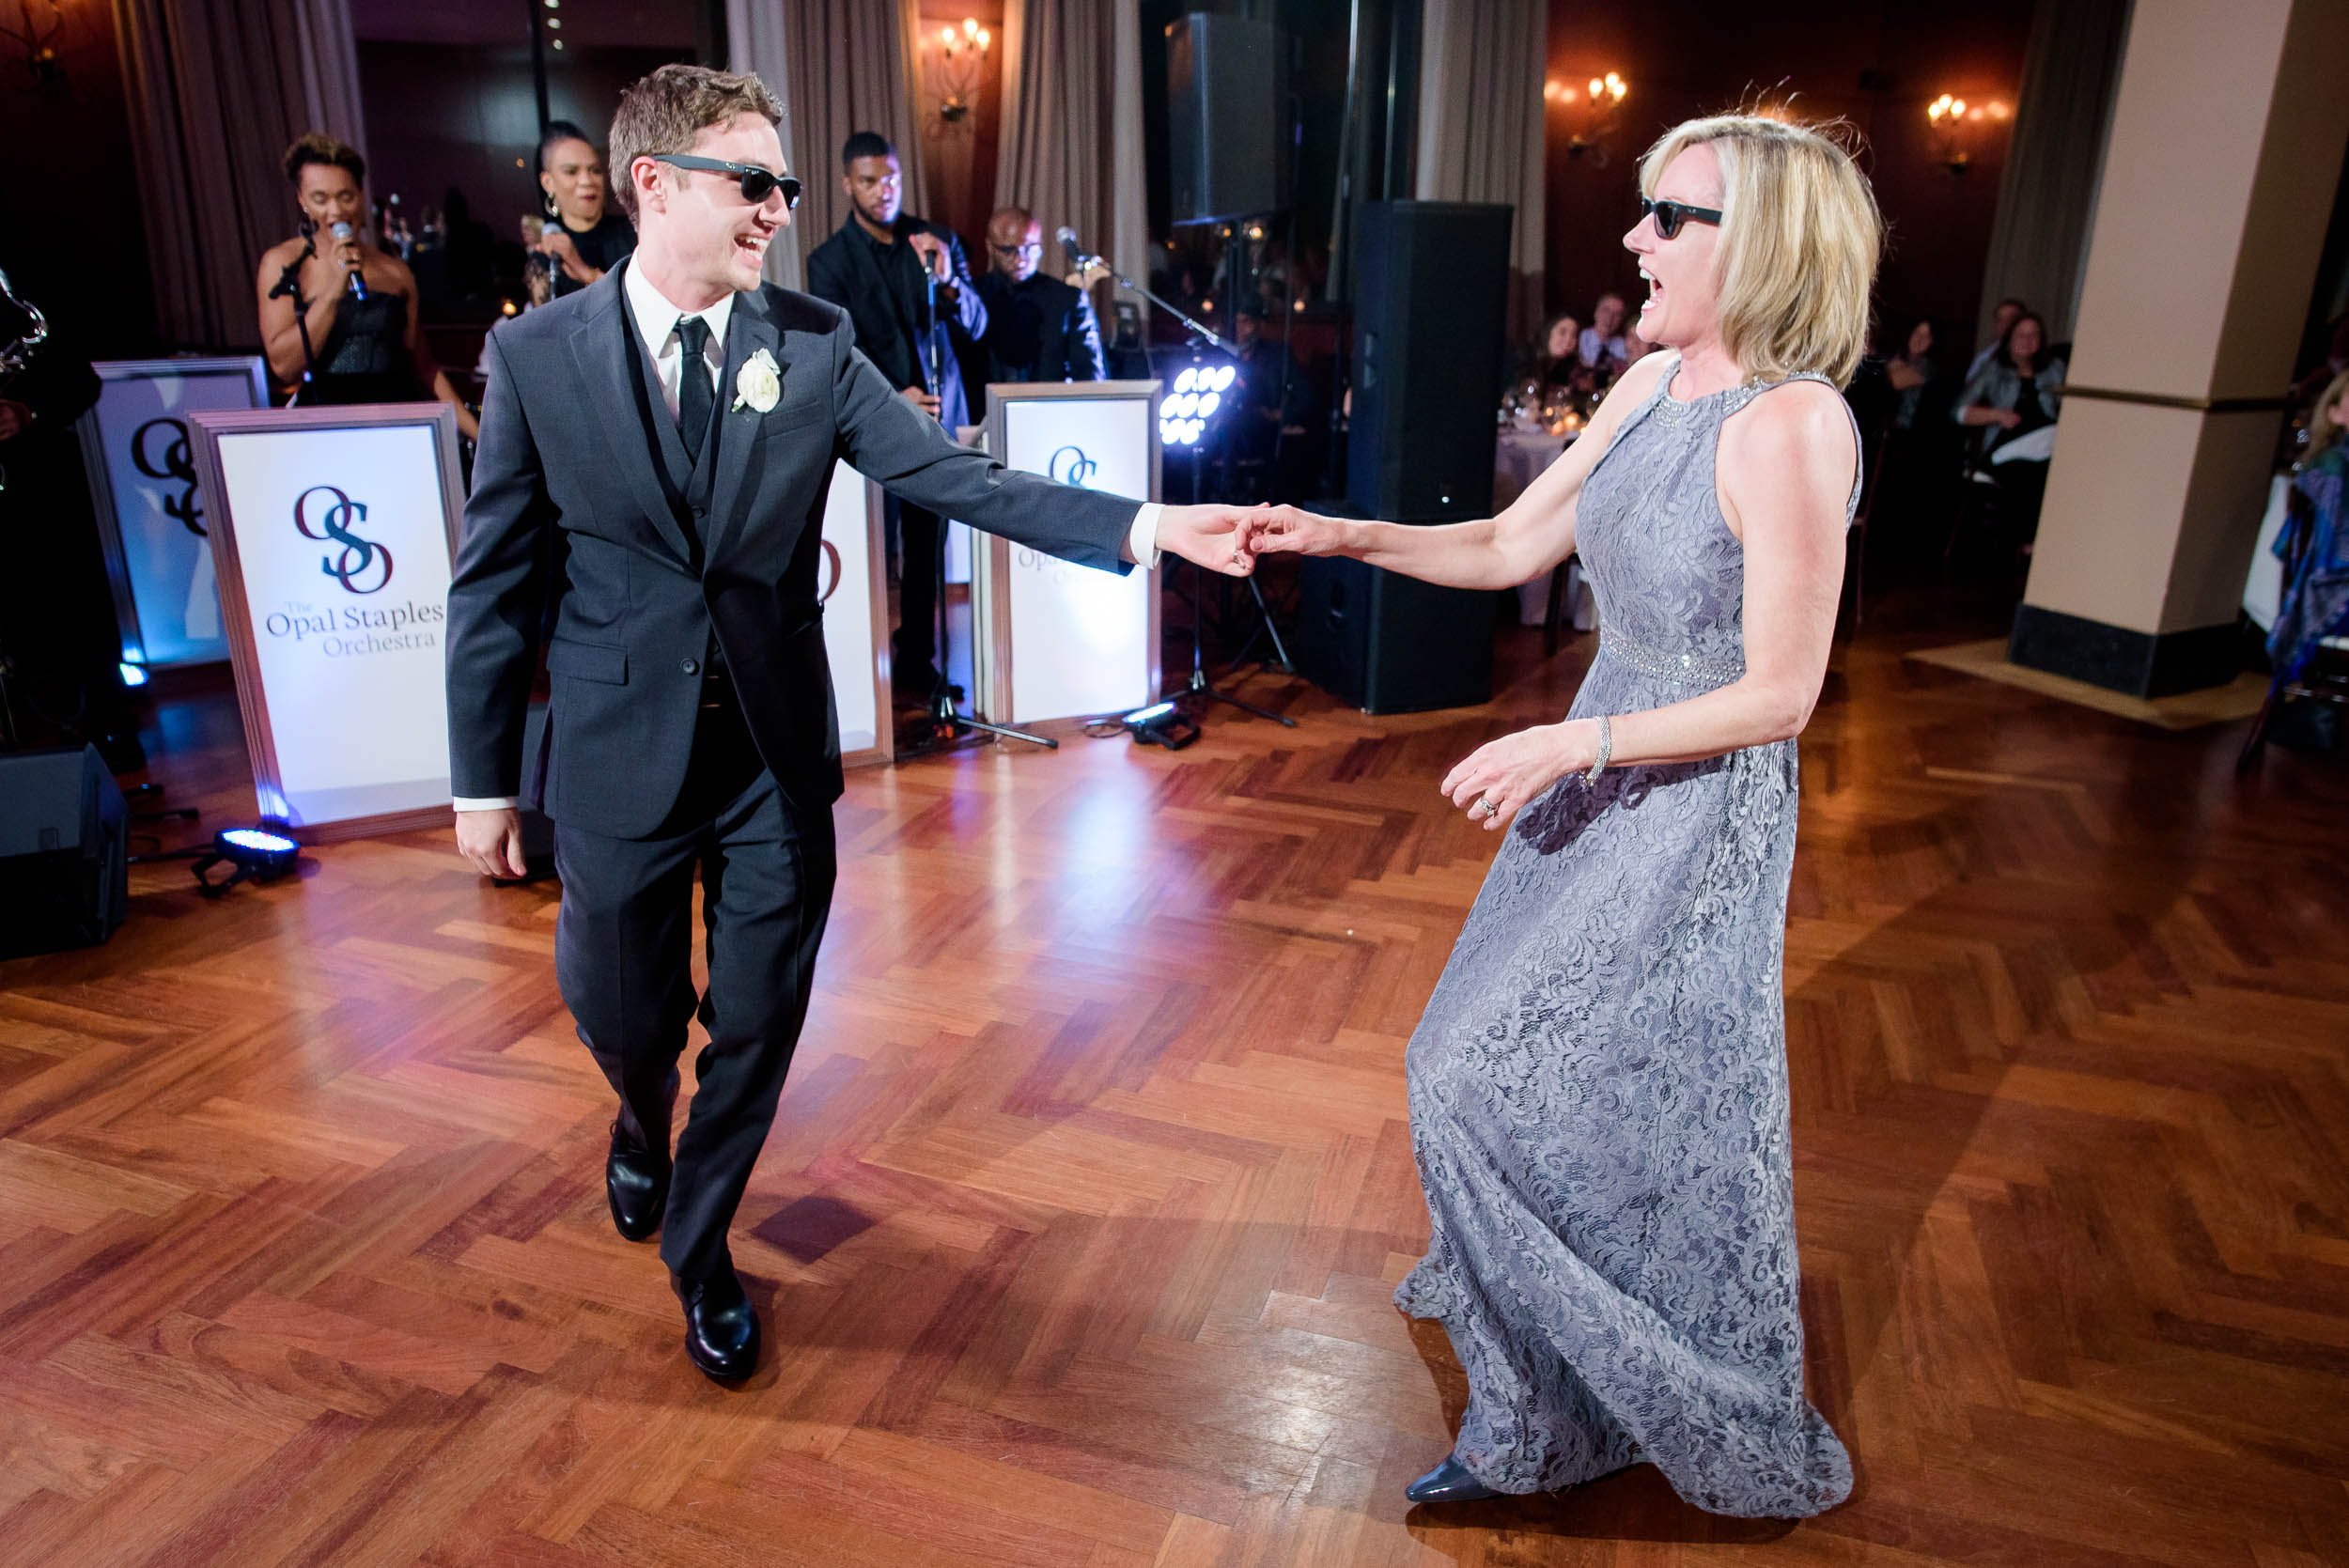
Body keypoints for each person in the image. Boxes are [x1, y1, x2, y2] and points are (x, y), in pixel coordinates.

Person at [443, 64, 1258, 1387]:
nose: (779, 207)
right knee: (623, 1014)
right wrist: (483, 783)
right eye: (753, 182)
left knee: (759, 1024)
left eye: (788, 185)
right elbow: (493, 586)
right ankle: (640, 1123)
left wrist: (1146, 525)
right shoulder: (535, 360)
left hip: (771, 761)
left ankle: (702, 1254)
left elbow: (952, 474)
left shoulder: (813, 343)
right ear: (655, 185)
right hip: (612, 759)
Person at [1240, 110, 1874, 1516]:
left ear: (1759, 244)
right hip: (1595, 777)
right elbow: (1509, 543)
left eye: (1671, 218)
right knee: (1522, 1075)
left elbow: (1780, 694)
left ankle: (1564, 1418)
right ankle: (1561, 1347)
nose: (1636, 240)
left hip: (1692, 808)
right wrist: (1339, 534)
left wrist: (1572, 739)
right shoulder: (1653, 388)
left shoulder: (1793, 425)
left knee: (1480, 1075)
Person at [804, 132, 986, 696]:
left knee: (929, 542)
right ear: (846, 184)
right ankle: (865, 663)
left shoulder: (935, 241)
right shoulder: (828, 261)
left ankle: (918, 662)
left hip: (939, 419)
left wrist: (948, 280)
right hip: (871, 418)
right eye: (868, 181)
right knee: (874, 544)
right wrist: (890, 394)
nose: (882, 191)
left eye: (890, 179)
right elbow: (840, 345)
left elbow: (977, 327)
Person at [0, 262, 143, 770]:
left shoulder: (22, 286)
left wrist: (29, 412)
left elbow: (82, 383)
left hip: (40, 482)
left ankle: (107, 730)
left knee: (80, 607)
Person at [255, 134, 478, 440]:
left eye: (345, 196)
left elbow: (424, 368)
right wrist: (333, 291)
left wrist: (479, 436)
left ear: (360, 195)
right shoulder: (284, 263)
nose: (335, 211)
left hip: (396, 423)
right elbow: (284, 367)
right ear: (302, 200)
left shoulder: (395, 271)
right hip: (324, 430)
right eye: (320, 199)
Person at [1952, 308, 2064, 538]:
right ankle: (2024, 540)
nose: (2027, 341)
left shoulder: (2054, 369)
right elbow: (1958, 412)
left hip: (2044, 444)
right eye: (2021, 335)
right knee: (2026, 473)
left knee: (2050, 467)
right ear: (2010, 338)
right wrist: (1997, 415)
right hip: (2004, 444)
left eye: (2033, 335)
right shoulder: (1993, 370)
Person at [973, 206, 1106, 387]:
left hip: (1050, 409)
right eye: (1008, 250)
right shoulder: (973, 296)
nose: (1020, 259)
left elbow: (1090, 375)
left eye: (1029, 249)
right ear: (990, 247)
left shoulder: (1068, 298)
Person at [528, 119, 636, 299]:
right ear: (548, 182)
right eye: (571, 172)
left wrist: (585, 273)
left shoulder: (635, 231)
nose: (587, 181)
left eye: (595, 170)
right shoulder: (548, 258)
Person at [1963, 296, 2025, 383]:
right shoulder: (1983, 358)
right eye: (2000, 320)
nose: (2005, 325)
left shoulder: (2036, 357)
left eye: (2011, 319)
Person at [1578, 292, 1630, 379]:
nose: (1610, 318)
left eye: (1617, 314)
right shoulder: (1579, 338)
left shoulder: (1624, 346)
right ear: (1596, 312)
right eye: (1606, 310)